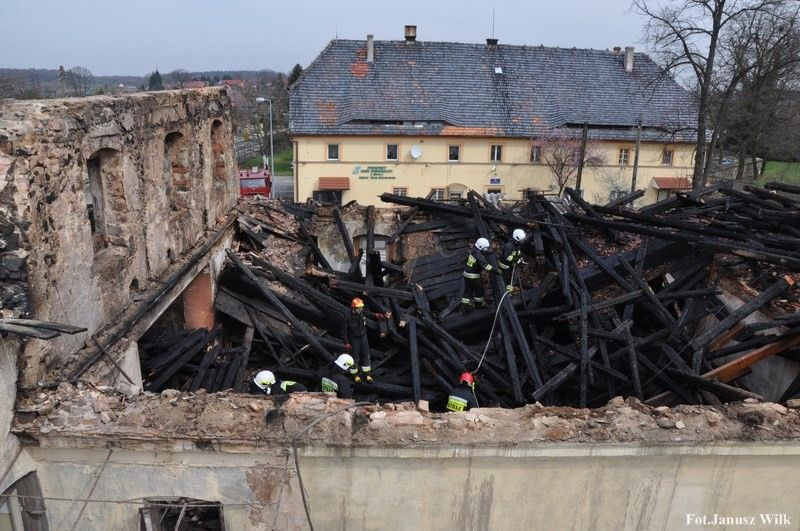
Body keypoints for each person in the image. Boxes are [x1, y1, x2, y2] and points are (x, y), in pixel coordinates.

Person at [341, 298, 389, 383]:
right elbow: (343, 330)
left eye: (361, 308)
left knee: (366, 355)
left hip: (363, 336)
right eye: (359, 308)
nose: (360, 309)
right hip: (354, 339)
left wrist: (376, 315)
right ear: (353, 308)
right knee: (355, 358)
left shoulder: (361, 312)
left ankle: (367, 375)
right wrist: (346, 343)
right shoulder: (347, 316)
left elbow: (367, 313)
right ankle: (355, 375)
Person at [462, 237, 494, 309]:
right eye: (485, 248)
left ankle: (465, 305)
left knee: (468, 289)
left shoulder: (473, 251)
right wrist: (495, 270)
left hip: (466, 274)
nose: (486, 249)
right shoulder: (479, 256)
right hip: (473, 276)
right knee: (479, 289)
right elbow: (487, 267)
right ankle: (479, 304)